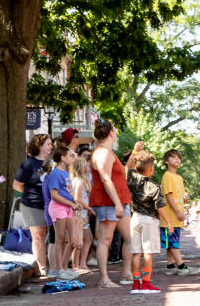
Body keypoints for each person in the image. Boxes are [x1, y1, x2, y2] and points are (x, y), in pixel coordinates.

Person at [89, 119, 133, 288]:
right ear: (111, 133)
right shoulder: (103, 153)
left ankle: (126, 273)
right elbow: (105, 179)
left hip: (119, 201)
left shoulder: (108, 152)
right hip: (109, 202)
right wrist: (117, 203)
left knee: (130, 238)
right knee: (106, 240)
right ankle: (104, 279)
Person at [125, 149, 166, 294]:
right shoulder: (153, 187)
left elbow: (128, 167)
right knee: (148, 252)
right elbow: (160, 206)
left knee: (136, 252)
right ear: (150, 169)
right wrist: (168, 222)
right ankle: (146, 283)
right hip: (149, 219)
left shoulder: (130, 178)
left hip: (134, 218)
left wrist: (135, 151)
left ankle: (136, 284)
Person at [12, 132, 52, 275]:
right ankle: (41, 267)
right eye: (48, 144)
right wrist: (30, 192)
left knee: (51, 234)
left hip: (49, 205)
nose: (51, 147)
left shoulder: (51, 163)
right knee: (38, 235)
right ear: (39, 146)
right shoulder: (28, 164)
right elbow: (17, 185)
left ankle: (52, 264)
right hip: (32, 204)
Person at [46, 144, 84, 279]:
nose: (72, 158)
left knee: (70, 240)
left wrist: (74, 203)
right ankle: (59, 270)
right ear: (62, 158)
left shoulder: (65, 172)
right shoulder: (56, 173)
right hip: (58, 207)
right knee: (60, 238)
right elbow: (54, 194)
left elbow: (66, 192)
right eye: (69, 156)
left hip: (67, 207)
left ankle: (63, 267)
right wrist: (71, 204)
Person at [157, 149, 192, 275]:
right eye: (173, 157)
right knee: (173, 242)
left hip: (176, 216)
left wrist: (182, 210)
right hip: (169, 216)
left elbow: (181, 197)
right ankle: (181, 265)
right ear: (167, 161)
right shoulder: (167, 176)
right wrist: (177, 212)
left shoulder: (179, 178)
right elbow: (169, 196)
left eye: (179, 157)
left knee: (171, 241)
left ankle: (170, 265)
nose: (177, 159)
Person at [70, 153, 95, 270]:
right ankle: (76, 265)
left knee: (88, 238)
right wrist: (89, 207)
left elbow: (90, 189)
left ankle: (82, 263)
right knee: (79, 241)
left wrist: (86, 175)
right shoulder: (79, 181)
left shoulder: (81, 179)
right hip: (80, 214)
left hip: (83, 214)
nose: (87, 167)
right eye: (85, 165)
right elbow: (77, 198)